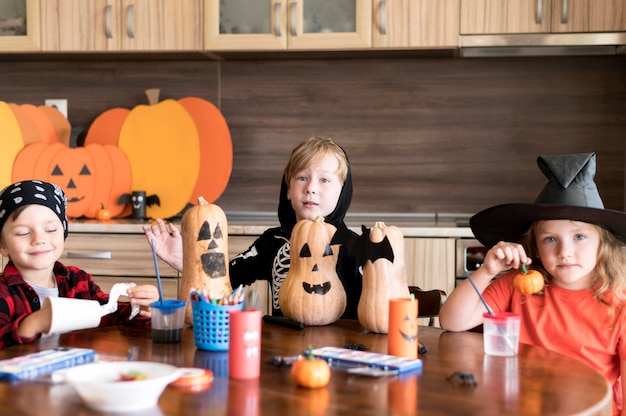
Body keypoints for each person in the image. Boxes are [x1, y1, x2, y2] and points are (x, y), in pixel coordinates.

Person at [439, 153, 626, 416]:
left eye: (580, 236)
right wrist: (486, 271)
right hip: (521, 406)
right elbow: (451, 322)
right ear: (535, 248)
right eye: (550, 239)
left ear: (602, 245)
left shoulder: (619, 303)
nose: (565, 251)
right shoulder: (516, 286)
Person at [144, 136, 362, 318]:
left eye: (324, 180)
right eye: (302, 177)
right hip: (284, 344)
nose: (311, 188)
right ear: (288, 190)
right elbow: (226, 277)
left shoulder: (354, 246)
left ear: (342, 191)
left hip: (342, 349)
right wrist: (187, 260)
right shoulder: (272, 241)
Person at [0, 180, 160, 349]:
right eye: (23, 232)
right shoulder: (3, 292)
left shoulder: (77, 281)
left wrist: (141, 308)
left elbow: (110, 313)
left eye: (51, 230)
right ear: (2, 245)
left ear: (63, 233)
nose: (39, 239)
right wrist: (33, 323)